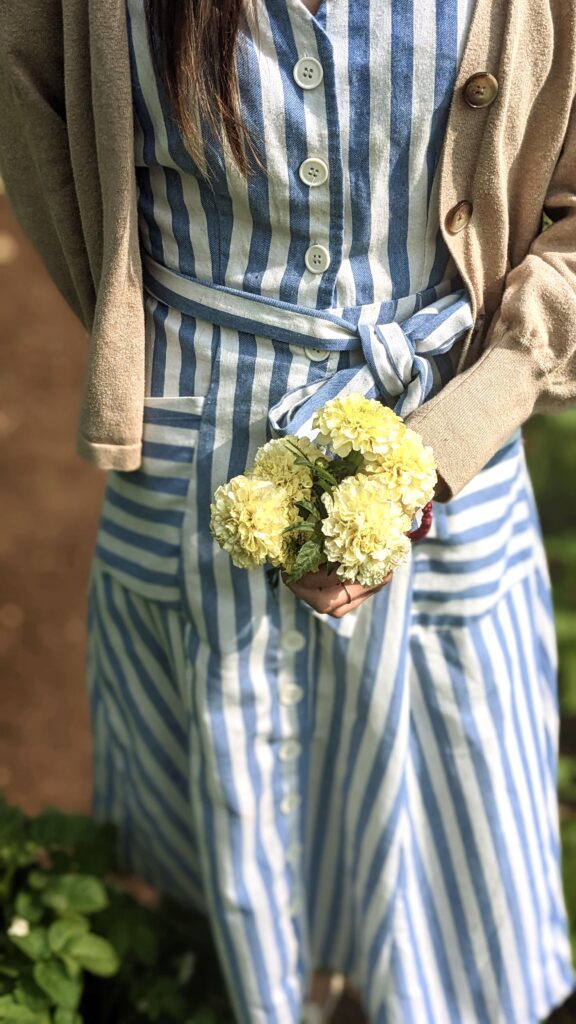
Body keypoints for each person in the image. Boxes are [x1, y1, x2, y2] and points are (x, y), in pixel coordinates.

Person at [1, 0, 576, 1020]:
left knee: (448, 872)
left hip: (455, 434)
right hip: (193, 470)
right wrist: (150, 352)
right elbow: (34, 112)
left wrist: (457, 429)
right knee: (217, 885)